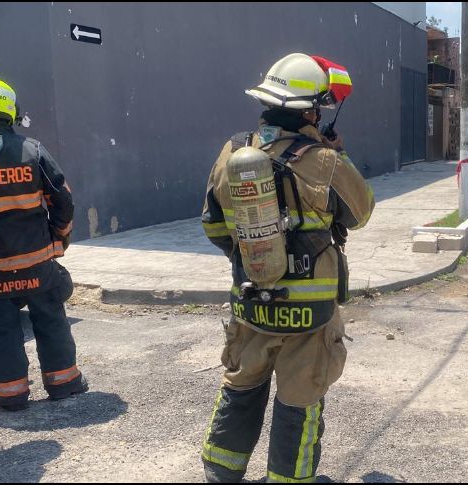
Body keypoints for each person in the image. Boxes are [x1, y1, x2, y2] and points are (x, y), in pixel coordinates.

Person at [200, 53, 374, 483]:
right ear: (310, 111)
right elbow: (361, 213)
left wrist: (254, 259)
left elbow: (214, 225)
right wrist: (338, 157)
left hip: (252, 301)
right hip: (309, 312)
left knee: (241, 388)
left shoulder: (233, 152)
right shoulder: (324, 160)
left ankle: (221, 472)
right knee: (299, 400)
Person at [0, 77, 86, 411]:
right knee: (51, 319)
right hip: (37, 262)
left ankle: (10, 395)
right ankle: (65, 383)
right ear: (11, 111)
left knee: (1, 332)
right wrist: (59, 240)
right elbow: (63, 201)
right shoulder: (33, 150)